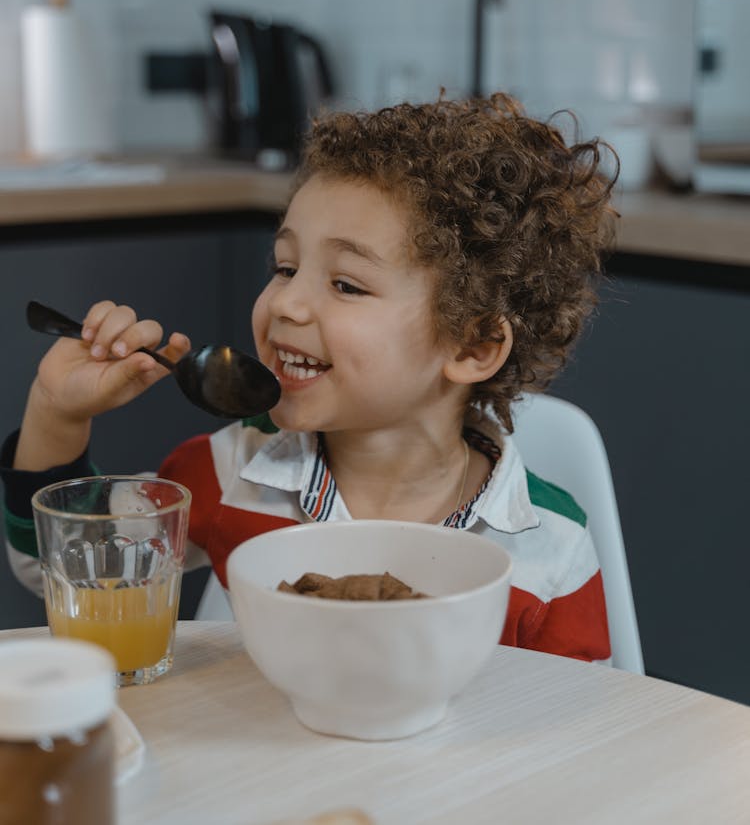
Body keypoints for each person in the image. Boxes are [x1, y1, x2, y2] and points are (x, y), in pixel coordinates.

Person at [2, 93, 617, 661]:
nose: (287, 304)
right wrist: (57, 412)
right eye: (285, 266)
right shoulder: (229, 471)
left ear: (475, 345)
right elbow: (63, 569)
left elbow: (576, 741)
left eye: (346, 284)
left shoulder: (551, 549)